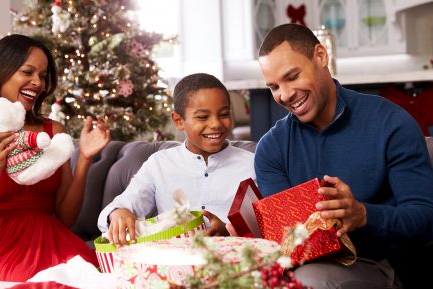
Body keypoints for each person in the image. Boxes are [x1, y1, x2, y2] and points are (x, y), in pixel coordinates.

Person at [251, 23, 433, 289]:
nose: (285, 94)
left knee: (307, 281)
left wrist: (363, 214)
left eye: (292, 77)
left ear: (321, 56)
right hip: (304, 268)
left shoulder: (390, 123)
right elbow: (289, 242)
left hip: (381, 265)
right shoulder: (271, 149)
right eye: (274, 86)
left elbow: (425, 218)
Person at [0, 34, 110, 282]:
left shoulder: (53, 132)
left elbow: (66, 219)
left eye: (43, 75)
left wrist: (84, 161)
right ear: (0, 72)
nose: (38, 82)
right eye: (28, 72)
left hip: (51, 241)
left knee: (95, 277)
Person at [97, 73, 255, 246]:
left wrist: (229, 231)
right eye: (203, 117)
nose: (216, 123)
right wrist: (119, 212)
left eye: (224, 114)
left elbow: (270, 229)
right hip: (171, 264)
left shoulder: (252, 165)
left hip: (234, 263)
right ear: (178, 121)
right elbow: (119, 206)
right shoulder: (159, 164)